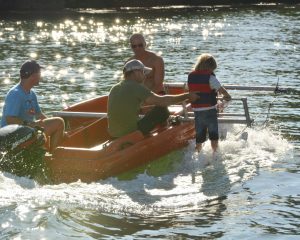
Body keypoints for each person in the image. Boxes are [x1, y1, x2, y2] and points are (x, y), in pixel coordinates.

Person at [107, 59, 199, 139]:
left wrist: (145, 110)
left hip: (113, 134)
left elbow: (125, 108)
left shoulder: (114, 88)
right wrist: (187, 96)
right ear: (136, 72)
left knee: (153, 109)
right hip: (131, 132)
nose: (145, 76)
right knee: (162, 110)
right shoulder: (135, 86)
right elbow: (162, 101)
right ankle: (165, 131)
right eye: (143, 72)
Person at [1, 60, 65, 153]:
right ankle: (54, 159)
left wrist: (61, 132)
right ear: (33, 76)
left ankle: (50, 154)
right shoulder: (15, 94)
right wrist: (31, 124)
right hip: (12, 137)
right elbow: (10, 119)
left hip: (27, 131)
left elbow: (39, 115)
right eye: (40, 73)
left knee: (58, 123)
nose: (41, 76)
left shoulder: (32, 94)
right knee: (59, 121)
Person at [187, 53, 231, 153]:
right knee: (213, 135)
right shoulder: (210, 78)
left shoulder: (191, 76)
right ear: (210, 67)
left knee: (200, 135)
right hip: (210, 110)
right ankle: (215, 154)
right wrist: (227, 96)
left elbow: (188, 88)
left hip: (197, 111)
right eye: (213, 69)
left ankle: (198, 153)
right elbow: (221, 89)